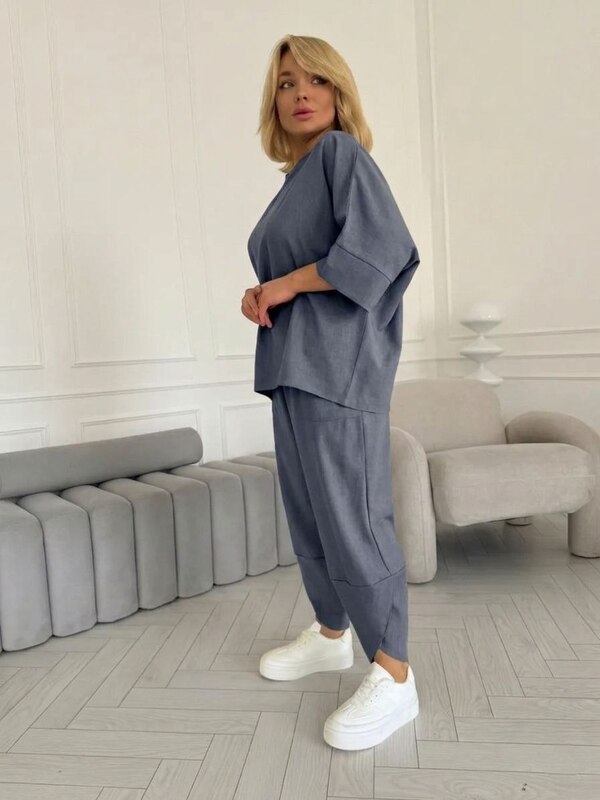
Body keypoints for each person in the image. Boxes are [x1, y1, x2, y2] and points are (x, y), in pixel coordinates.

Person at [242, 34, 420, 751]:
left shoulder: (342, 155)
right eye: (287, 83)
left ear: (340, 93)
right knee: (311, 514)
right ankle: (330, 634)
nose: (300, 93)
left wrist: (286, 283)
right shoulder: (296, 180)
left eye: (316, 80)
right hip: (292, 366)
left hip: (338, 367)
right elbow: (301, 269)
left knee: (354, 516)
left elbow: (381, 250)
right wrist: (263, 292)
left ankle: (395, 672)